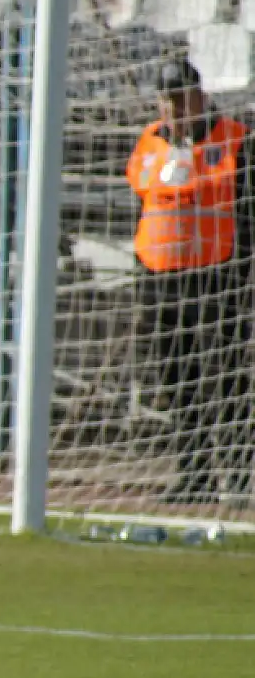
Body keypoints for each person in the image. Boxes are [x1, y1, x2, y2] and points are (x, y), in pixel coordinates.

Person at [126, 57, 255, 505]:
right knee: (178, 379)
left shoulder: (236, 140)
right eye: (167, 100)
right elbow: (141, 199)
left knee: (229, 377)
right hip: (160, 274)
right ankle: (193, 473)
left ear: (200, 96)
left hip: (217, 273)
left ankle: (240, 476)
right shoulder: (149, 142)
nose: (175, 109)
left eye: (182, 98)